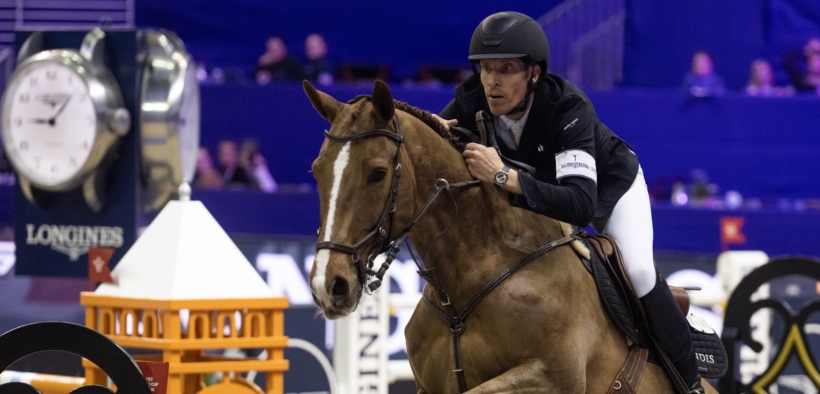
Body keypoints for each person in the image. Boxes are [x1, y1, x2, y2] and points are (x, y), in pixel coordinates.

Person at [433, 11, 704, 393]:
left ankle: (690, 382)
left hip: (608, 191)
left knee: (639, 270)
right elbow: (435, 137)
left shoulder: (568, 108)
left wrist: (501, 176)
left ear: (534, 73)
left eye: (506, 69)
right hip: (542, 202)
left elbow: (579, 203)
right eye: (485, 68)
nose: (492, 81)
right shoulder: (474, 98)